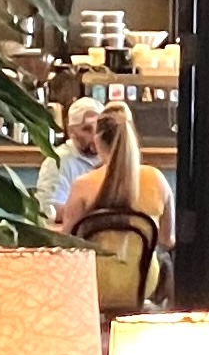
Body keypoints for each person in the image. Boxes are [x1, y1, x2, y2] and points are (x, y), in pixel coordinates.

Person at [55, 105, 173, 313]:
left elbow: (67, 243)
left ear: (98, 140)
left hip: (93, 285)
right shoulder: (157, 180)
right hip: (142, 284)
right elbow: (167, 239)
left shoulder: (83, 185)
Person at [35, 97, 105, 219]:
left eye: (99, 129)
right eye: (87, 129)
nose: (95, 136)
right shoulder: (58, 161)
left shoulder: (111, 158)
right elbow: (50, 209)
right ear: (71, 131)